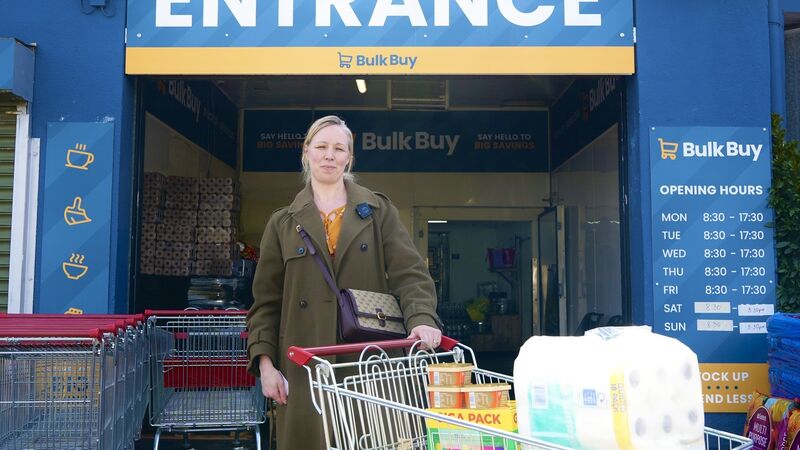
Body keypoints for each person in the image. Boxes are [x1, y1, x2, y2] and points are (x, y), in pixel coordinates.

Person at [246, 115, 443, 449]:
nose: (329, 155)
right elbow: (266, 303)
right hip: (306, 366)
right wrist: (265, 364)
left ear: (349, 157)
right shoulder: (282, 223)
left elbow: (410, 274)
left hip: (370, 361)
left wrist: (421, 319)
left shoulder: (378, 211)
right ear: (306, 152)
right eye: (321, 146)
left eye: (339, 149)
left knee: (373, 440)